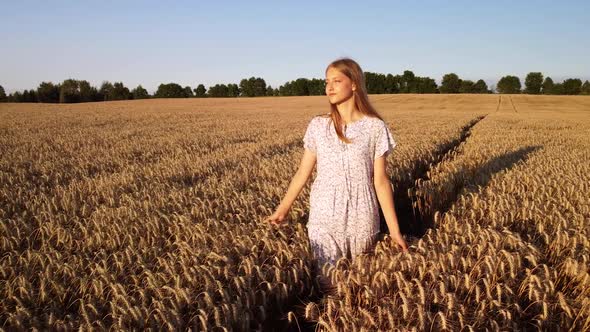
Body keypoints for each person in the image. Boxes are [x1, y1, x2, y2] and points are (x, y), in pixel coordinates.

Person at [264, 58, 408, 290]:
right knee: (328, 283)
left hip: (362, 214)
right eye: (326, 82)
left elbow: (380, 181)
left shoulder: (375, 127)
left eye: (336, 81)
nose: (329, 87)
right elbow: (303, 172)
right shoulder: (318, 126)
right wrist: (282, 209)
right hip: (324, 213)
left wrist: (394, 231)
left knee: (359, 285)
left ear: (354, 84)